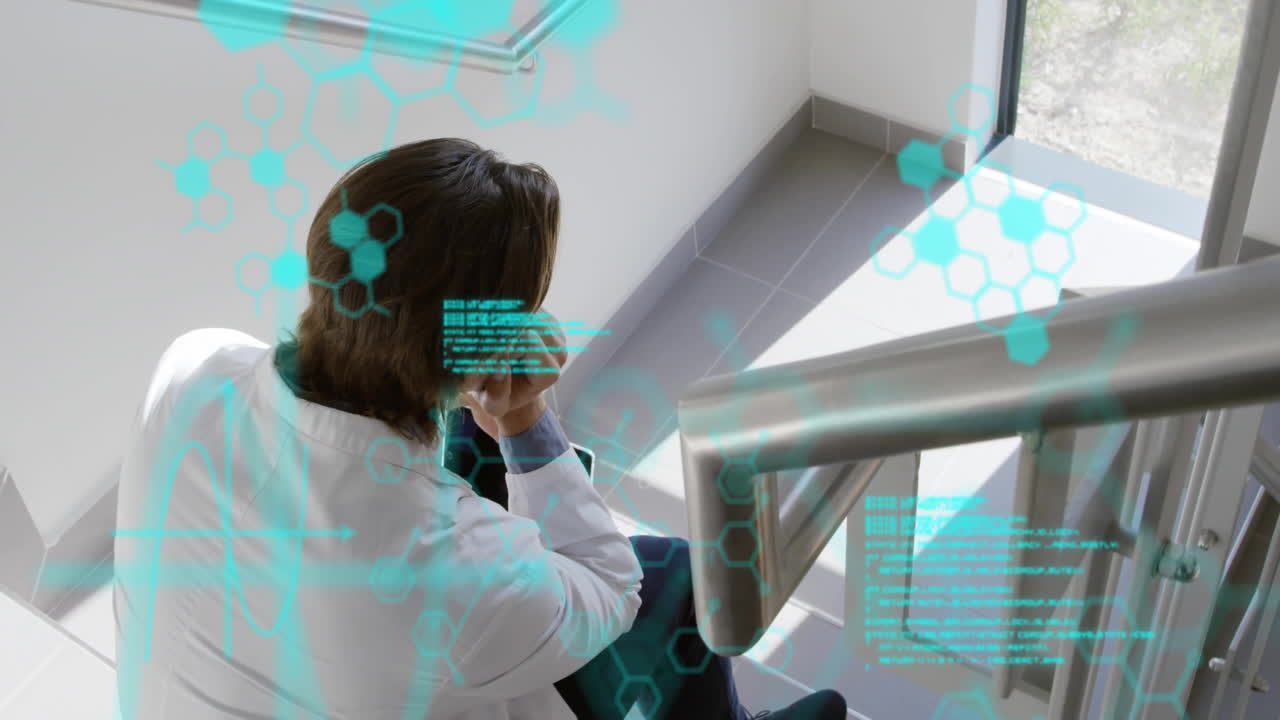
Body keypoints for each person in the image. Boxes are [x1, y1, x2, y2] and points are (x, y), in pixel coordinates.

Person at [113, 137, 848, 720]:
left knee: (469, 457)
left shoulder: (195, 364)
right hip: (403, 637)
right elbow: (608, 589)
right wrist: (524, 415)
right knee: (673, 577)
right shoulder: (432, 567)